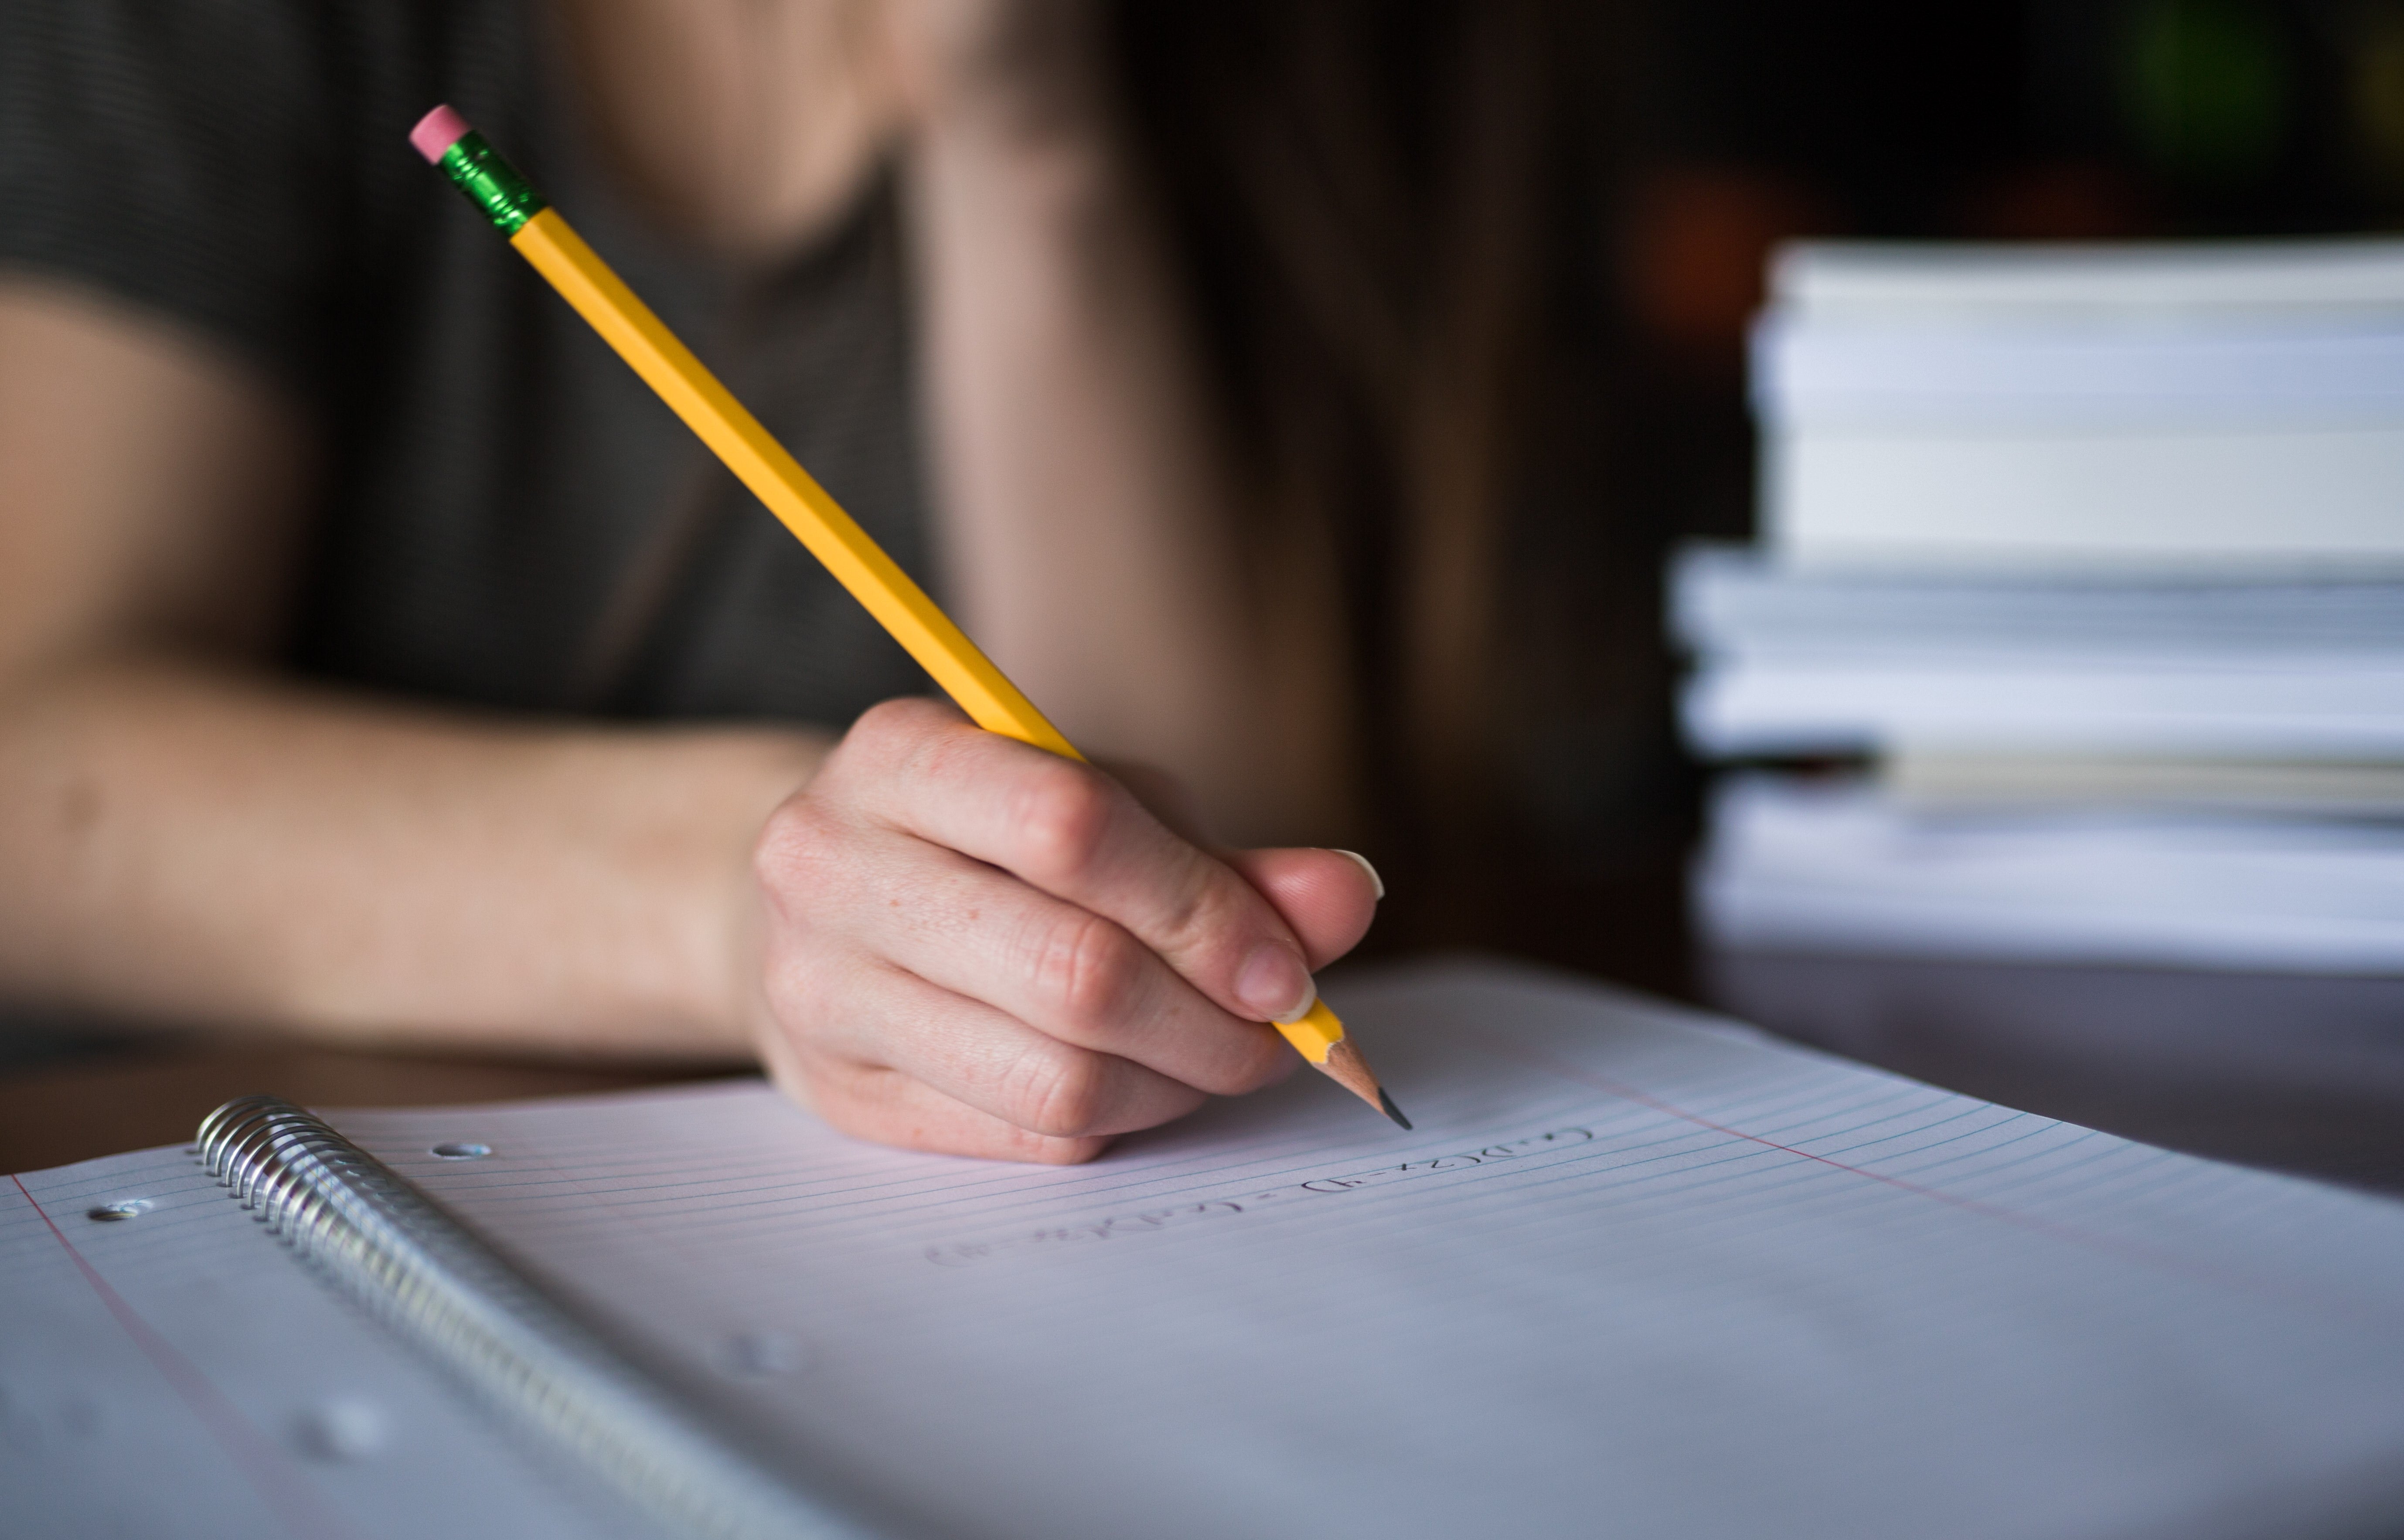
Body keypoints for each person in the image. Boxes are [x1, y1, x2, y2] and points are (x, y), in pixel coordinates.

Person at [0, 0, 1600, 1159]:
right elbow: (33, 776)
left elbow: (1192, 902)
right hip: (228, 1213)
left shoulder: (1379, 76)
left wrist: (1030, 140)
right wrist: (741, 902)